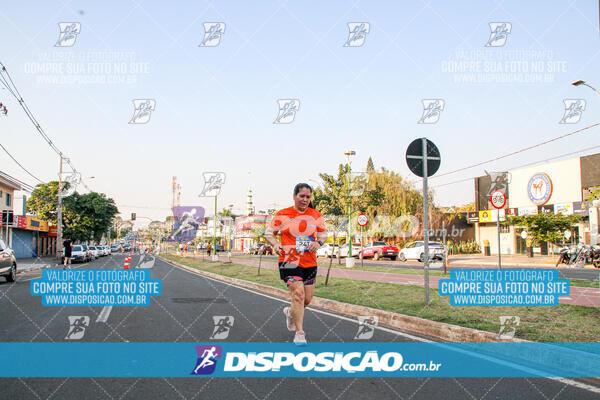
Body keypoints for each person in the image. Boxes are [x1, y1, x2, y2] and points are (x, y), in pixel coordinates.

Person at [265, 183, 327, 345]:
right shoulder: (283, 214)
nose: (305, 199)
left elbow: (323, 235)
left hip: (310, 262)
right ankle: (300, 334)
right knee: (298, 295)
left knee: (306, 300)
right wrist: (275, 244)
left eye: (308, 197)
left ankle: (291, 313)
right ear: (294, 196)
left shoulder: (315, 214)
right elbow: (269, 233)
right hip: (289, 261)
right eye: (302, 196)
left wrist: (318, 244)